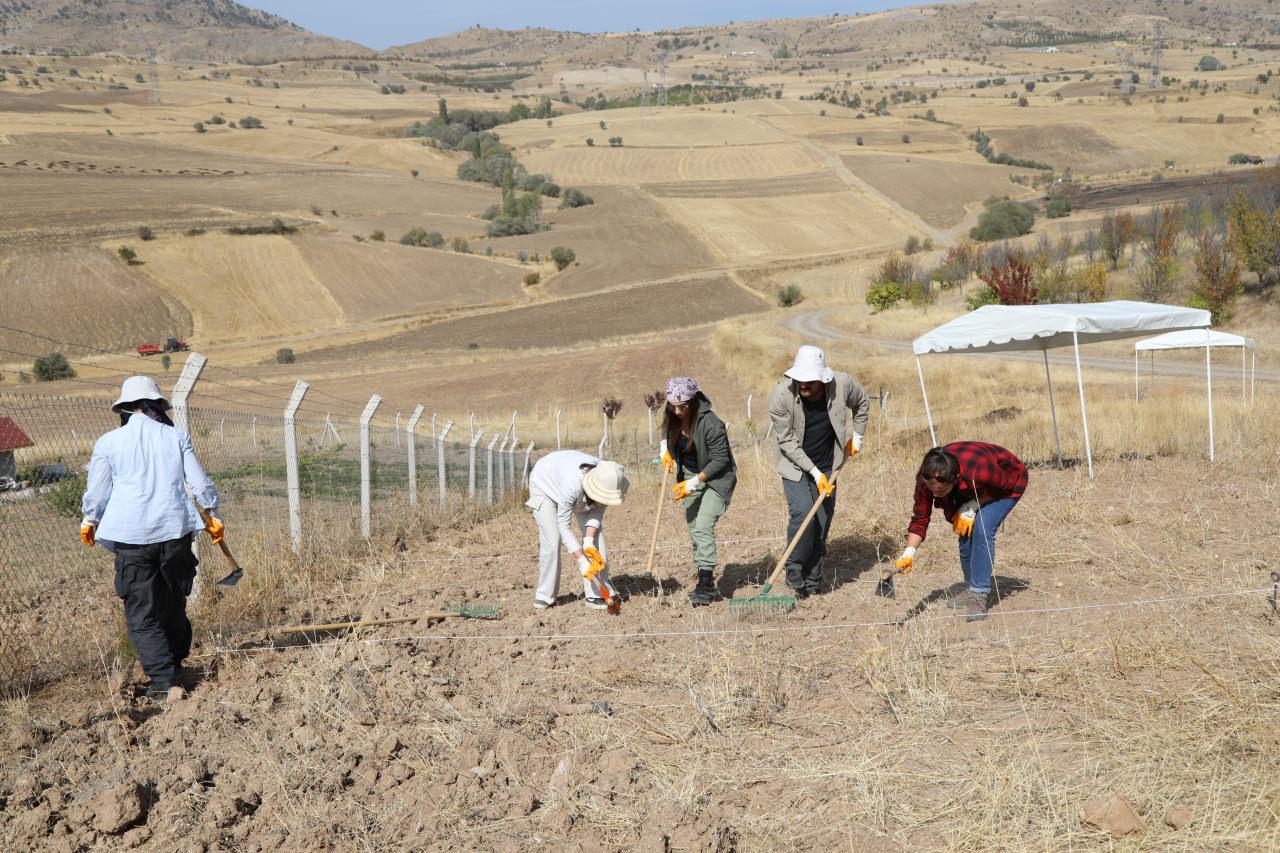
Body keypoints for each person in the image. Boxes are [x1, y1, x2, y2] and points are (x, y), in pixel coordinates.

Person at [80, 376, 223, 701]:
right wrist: (213, 515)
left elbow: (98, 493)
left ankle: (164, 682)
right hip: (175, 534)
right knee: (173, 602)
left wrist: (90, 519)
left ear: (126, 409)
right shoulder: (176, 437)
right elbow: (200, 484)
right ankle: (174, 667)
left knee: (142, 614)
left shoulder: (108, 443)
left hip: (131, 539)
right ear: (156, 406)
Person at [768, 345, 870, 597]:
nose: (803, 385)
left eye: (809, 381)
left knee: (822, 521)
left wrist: (857, 436)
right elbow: (787, 442)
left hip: (828, 462)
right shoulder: (781, 395)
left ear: (822, 379)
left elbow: (863, 402)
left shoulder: (842, 384)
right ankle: (793, 566)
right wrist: (814, 473)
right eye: (799, 380)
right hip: (794, 465)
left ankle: (812, 580)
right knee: (804, 513)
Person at [894, 442, 1028, 622]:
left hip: (1007, 482)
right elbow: (920, 519)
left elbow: (1005, 485)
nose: (935, 494)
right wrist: (908, 553)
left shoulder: (978, 470)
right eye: (932, 489)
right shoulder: (926, 480)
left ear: (954, 479)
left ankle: (979, 594)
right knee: (965, 531)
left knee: (981, 528)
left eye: (941, 490)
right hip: (975, 488)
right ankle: (971, 586)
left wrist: (972, 505)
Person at [659, 377, 736, 607]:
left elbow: (721, 459)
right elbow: (665, 432)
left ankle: (706, 584)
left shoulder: (711, 423)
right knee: (695, 530)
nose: (677, 410)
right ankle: (703, 572)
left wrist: (693, 483)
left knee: (703, 525)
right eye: (673, 405)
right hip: (689, 477)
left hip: (715, 479)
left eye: (682, 405)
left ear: (694, 401)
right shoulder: (673, 415)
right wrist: (665, 451)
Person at [526, 451, 629, 610]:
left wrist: (588, 541)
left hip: (576, 487)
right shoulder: (572, 486)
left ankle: (596, 593)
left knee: (596, 537)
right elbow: (563, 525)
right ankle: (545, 595)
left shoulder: (609, 479)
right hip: (545, 484)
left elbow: (598, 510)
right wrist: (581, 560)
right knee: (553, 541)